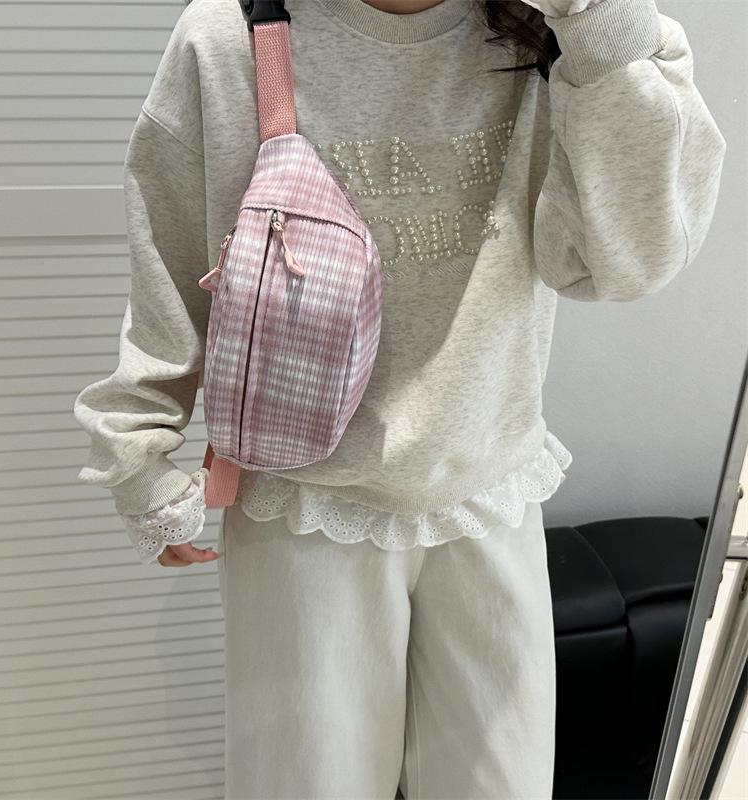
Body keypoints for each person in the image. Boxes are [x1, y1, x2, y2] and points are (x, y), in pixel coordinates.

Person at [73, 0, 727, 796]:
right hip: (304, 508)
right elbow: (170, 246)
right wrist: (139, 445)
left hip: (489, 490)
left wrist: (596, 26)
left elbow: (627, 260)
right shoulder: (229, 34)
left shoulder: (565, 31)